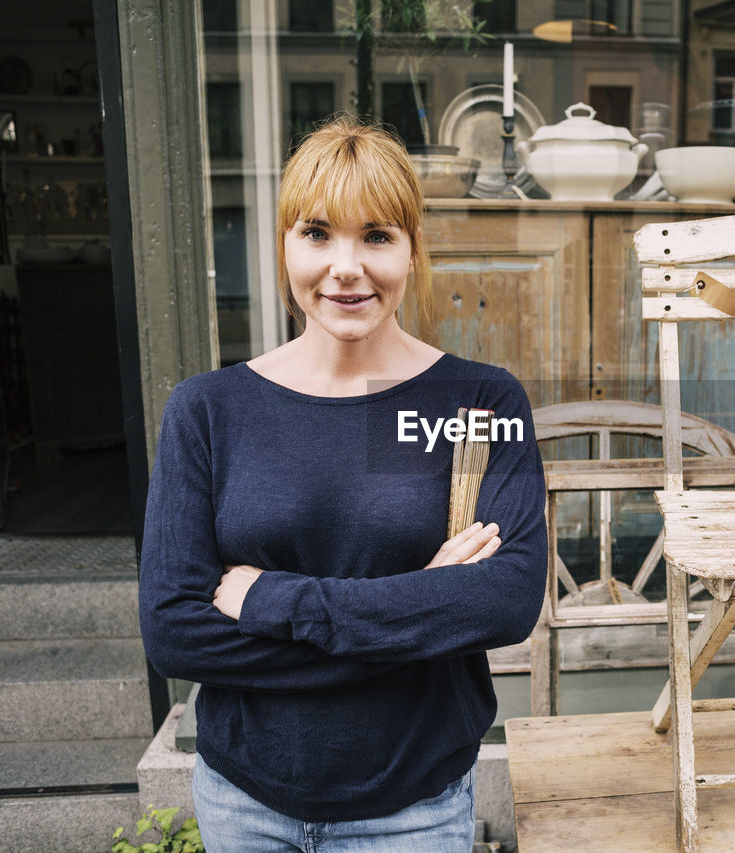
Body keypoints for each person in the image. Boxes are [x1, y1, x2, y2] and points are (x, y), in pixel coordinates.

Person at [138, 115, 548, 852]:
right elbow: (174, 632)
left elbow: (508, 600)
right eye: (318, 233)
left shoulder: (480, 404)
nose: (346, 266)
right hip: (244, 801)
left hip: (412, 808)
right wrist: (419, 606)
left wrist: (273, 598)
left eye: (378, 235)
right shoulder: (207, 409)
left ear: (413, 249)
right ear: (285, 246)